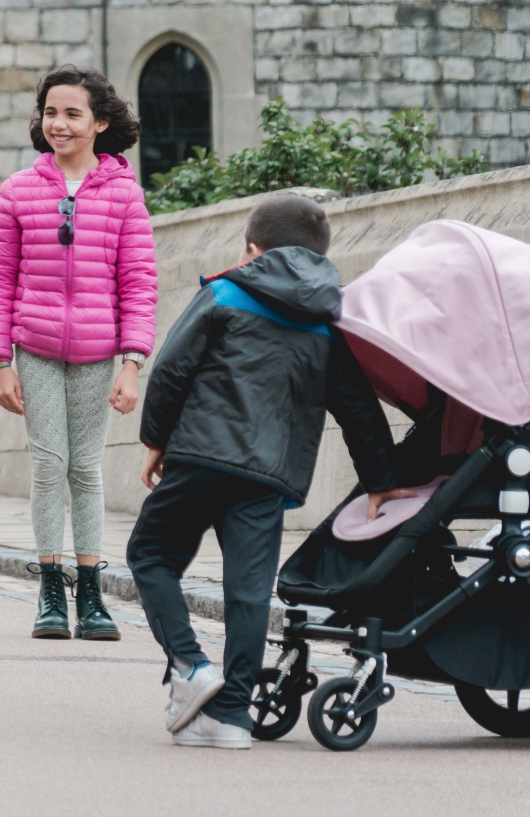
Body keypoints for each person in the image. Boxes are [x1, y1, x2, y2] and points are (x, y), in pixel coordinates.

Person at [129, 194, 403, 749]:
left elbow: (171, 370)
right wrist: (379, 481)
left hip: (202, 457)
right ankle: (231, 716)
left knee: (151, 554)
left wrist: (156, 440)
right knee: (248, 593)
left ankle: (190, 665)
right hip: (268, 475)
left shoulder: (225, 291)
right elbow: (359, 411)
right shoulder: (329, 322)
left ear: (252, 249)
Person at [0, 65, 157, 642]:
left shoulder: (125, 195)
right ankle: (50, 588)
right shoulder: (18, 191)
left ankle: (93, 593)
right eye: (50, 112)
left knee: (85, 468)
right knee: (48, 465)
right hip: (33, 349)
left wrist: (132, 362)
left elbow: (138, 282)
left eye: (72, 113)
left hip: (96, 352)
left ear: (100, 123)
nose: (58, 123)